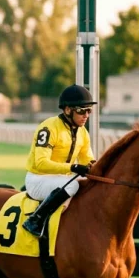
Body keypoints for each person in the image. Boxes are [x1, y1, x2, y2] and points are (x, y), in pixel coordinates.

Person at [21, 84, 97, 237]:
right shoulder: (48, 128)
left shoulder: (83, 133)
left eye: (89, 110)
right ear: (67, 110)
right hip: (38, 179)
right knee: (73, 185)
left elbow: (88, 160)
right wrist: (73, 167)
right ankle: (35, 220)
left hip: (61, 179)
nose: (86, 115)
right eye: (81, 110)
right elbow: (41, 163)